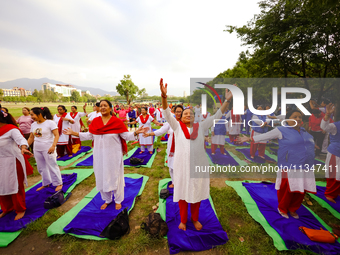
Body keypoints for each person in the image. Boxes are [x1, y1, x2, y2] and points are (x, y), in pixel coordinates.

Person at [160, 78, 233, 231]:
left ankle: (194, 219)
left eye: (191, 114)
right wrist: (164, 97)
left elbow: (217, 116)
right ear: (180, 117)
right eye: (185, 113)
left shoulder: (201, 126)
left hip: (198, 166)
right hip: (182, 167)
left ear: (195, 117)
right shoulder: (177, 127)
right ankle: (183, 220)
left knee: (196, 193)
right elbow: (167, 113)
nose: (188, 115)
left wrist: (226, 101)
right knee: (182, 193)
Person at [63, 100, 148, 210]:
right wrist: (73, 133)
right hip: (99, 155)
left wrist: (136, 132)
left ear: (110, 108)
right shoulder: (95, 122)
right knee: (101, 176)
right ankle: (107, 200)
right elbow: (90, 135)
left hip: (114, 155)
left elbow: (126, 136)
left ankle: (118, 200)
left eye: (105, 106)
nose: (103, 107)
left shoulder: (117, 122)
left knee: (116, 177)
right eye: (101, 106)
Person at [238, 110, 316, 219]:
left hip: (304, 165)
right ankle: (283, 208)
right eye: (295, 117)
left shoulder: (303, 131)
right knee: (287, 188)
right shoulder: (281, 130)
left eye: (300, 117)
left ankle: (293, 208)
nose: (298, 119)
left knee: (300, 188)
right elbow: (266, 135)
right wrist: (250, 138)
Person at [0, 111, 32, 220]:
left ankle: (20, 209)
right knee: (1, 185)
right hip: (1, 162)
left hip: (13, 161)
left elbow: (21, 140)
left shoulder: (11, 129)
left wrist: (23, 147)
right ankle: (7, 208)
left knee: (16, 185)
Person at [143, 105, 184, 187]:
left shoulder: (186, 122)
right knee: (171, 165)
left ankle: (181, 182)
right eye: (177, 111)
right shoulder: (171, 122)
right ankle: (174, 182)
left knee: (181, 166)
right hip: (171, 146)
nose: (178, 113)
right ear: (174, 112)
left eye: (180, 111)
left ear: (183, 112)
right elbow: (161, 131)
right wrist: (149, 134)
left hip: (182, 147)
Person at [28, 107, 63, 192]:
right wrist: (25, 147)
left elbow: (56, 135)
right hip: (37, 148)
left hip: (48, 148)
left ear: (39, 114)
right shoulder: (33, 124)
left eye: (32, 114)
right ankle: (46, 183)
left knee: (52, 165)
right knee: (41, 167)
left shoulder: (50, 123)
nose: (31, 117)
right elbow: (31, 137)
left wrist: (53, 146)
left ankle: (58, 183)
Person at [320, 103, 339, 203]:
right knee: (334, 174)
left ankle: (337, 191)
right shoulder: (335, 125)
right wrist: (327, 114)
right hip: (336, 154)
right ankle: (330, 193)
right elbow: (324, 126)